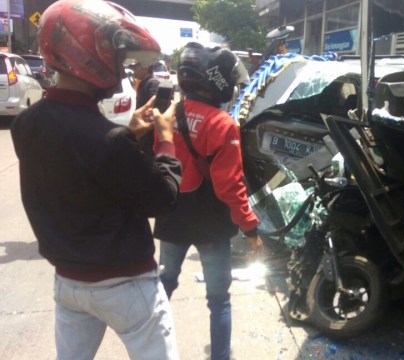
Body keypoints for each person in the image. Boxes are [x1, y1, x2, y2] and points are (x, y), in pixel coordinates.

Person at [10, 1, 182, 359]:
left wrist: (129, 136)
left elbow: (76, 167)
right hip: (126, 284)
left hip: (69, 282)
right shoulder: (108, 140)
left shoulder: (26, 124)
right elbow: (161, 200)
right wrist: (165, 139)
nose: (120, 69)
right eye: (117, 58)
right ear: (87, 54)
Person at [153, 42, 262, 360]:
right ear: (216, 80)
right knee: (219, 301)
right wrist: (250, 227)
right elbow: (230, 187)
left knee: (162, 290)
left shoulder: (170, 114)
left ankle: (151, 351)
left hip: (172, 217)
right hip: (210, 224)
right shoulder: (223, 124)